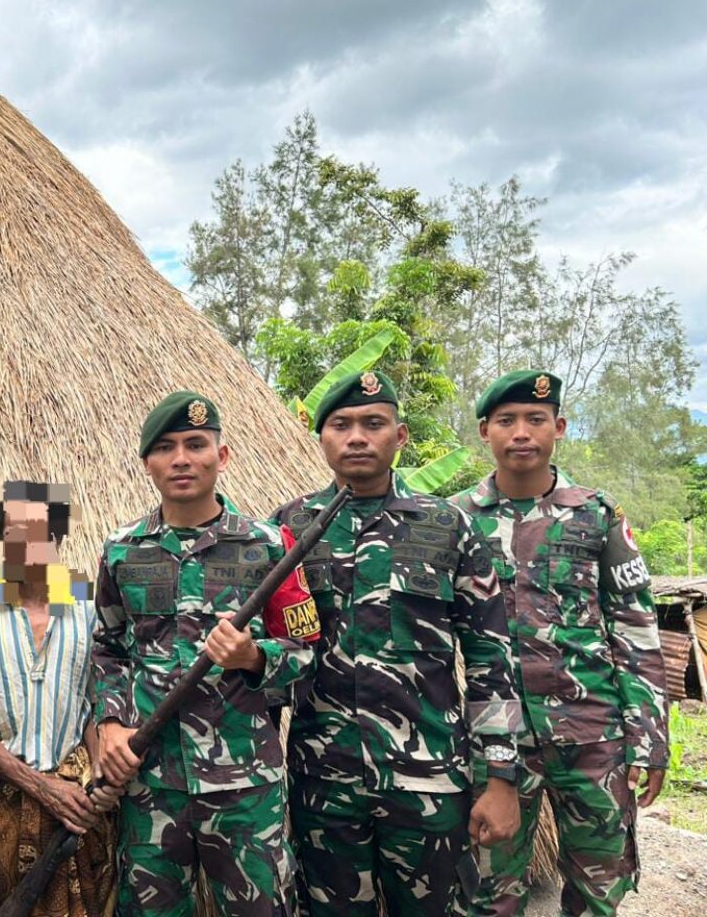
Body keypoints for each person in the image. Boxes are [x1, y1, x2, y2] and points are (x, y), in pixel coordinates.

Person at [272, 371, 523, 916]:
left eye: (373, 423)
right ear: (322, 438)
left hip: (429, 778)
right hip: (324, 781)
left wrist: (501, 776)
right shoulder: (287, 529)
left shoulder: (448, 526)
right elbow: (269, 661)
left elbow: (491, 660)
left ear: (401, 436)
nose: (357, 436)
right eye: (341, 425)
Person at [453, 370, 669, 916]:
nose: (521, 432)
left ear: (560, 428)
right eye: (506, 421)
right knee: (488, 893)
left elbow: (635, 628)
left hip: (593, 736)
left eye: (536, 420)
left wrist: (649, 736)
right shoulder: (454, 519)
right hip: (495, 744)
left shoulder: (597, 515)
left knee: (599, 890)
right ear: (485, 431)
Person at [92, 391, 315, 916]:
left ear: (224, 454)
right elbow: (108, 649)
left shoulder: (271, 546)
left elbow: (305, 651)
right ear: (148, 462)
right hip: (152, 784)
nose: (182, 459)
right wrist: (111, 723)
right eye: (166, 448)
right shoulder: (123, 550)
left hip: (245, 787)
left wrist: (253, 657)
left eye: (196, 444)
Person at [0, 479, 118, 917]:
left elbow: (95, 703)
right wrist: (42, 787)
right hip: (0, 805)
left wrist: (99, 770)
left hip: (79, 807)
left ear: (59, 539)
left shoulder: (86, 607)